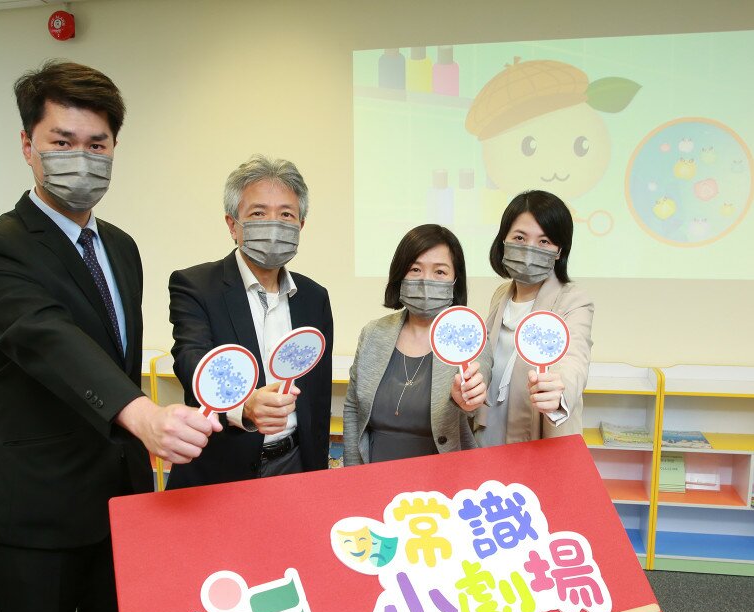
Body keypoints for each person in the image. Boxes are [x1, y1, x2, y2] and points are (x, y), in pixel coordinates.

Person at [0, 60, 220, 612]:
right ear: (28, 146)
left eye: (96, 145)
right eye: (62, 142)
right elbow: (48, 339)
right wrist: (141, 414)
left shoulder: (122, 247)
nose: (82, 159)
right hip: (34, 506)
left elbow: (113, 351)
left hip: (119, 498)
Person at [167, 155, 333, 487]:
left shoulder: (315, 297)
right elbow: (191, 361)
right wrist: (245, 405)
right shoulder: (196, 285)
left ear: (300, 225)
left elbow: (318, 396)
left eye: (286, 214)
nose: (274, 223)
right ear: (233, 224)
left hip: (296, 465)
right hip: (220, 471)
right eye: (258, 213)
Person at [343, 225, 491, 466]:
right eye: (415, 269)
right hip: (374, 472)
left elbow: (478, 381)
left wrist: (468, 397)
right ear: (400, 274)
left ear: (455, 280)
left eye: (440, 272)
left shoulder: (470, 335)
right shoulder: (373, 333)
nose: (425, 281)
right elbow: (352, 409)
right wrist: (352, 472)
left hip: (442, 476)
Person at [473, 190, 594, 446]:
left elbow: (574, 359)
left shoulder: (573, 300)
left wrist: (559, 390)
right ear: (503, 240)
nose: (530, 249)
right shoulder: (500, 296)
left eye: (544, 241)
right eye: (519, 237)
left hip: (539, 436)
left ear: (560, 250)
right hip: (489, 430)